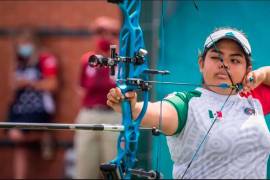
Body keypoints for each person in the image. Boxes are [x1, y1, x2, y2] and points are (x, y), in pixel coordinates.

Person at [106, 27, 270, 179]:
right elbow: (155, 112)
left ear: (247, 70)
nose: (224, 64)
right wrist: (132, 107)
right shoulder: (187, 104)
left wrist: (262, 74)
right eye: (216, 57)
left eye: (235, 60)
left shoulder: (253, 99)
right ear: (201, 63)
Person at [7, 28, 58, 178]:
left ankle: (44, 135)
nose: (23, 48)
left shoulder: (45, 58)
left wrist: (30, 83)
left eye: (25, 43)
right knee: (20, 146)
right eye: (19, 45)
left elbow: (52, 84)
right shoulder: (19, 62)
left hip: (39, 106)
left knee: (17, 135)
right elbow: (12, 85)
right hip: (20, 108)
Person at [74, 16, 121, 179]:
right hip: (89, 115)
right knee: (85, 168)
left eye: (112, 32)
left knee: (114, 169)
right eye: (100, 31)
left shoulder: (121, 62)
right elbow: (80, 89)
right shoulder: (87, 60)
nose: (106, 36)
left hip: (114, 116)